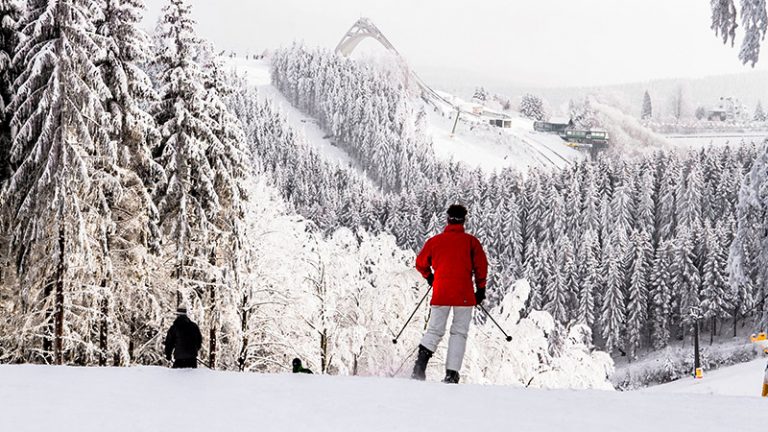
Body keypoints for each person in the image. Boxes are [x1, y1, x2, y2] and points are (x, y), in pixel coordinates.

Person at [412, 204, 488, 384]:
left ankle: (419, 367)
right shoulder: (471, 242)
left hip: (441, 292)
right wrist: (481, 290)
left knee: (434, 330)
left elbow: (420, 263)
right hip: (464, 294)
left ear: (447, 219)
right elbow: (481, 267)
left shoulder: (435, 241)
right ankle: (451, 374)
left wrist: (430, 277)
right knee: (459, 333)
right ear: (464, 220)